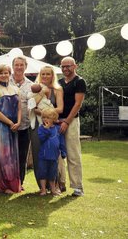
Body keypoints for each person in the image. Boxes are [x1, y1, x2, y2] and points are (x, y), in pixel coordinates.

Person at [0, 64, 22, 194]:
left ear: (10, 74)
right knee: (3, 155)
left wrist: (18, 122)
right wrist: (10, 123)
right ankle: (3, 185)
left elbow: (19, 108)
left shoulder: (16, 89)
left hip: (14, 126)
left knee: (13, 155)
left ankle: (14, 184)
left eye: (6, 73)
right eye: (1, 73)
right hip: (0, 126)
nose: (4, 75)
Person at [31, 65, 64, 190]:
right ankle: (42, 187)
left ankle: (56, 185)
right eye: (43, 74)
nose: (45, 76)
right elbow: (32, 107)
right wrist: (42, 94)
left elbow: (60, 108)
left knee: (54, 155)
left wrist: (45, 113)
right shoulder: (36, 89)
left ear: (52, 75)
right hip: (37, 126)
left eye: (48, 74)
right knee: (37, 154)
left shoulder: (58, 89)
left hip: (52, 127)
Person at [58, 57, 86, 197]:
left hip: (71, 121)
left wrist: (66, 122)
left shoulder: (79, 82)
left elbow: (78, 104)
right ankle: (59, 184)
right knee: (57, 155)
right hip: (57, 121)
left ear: (75, 66)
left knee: (73, 154)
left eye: (67, 66)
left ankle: (77, 187)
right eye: (62, 66)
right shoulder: (59, 82)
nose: (65, 69)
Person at [9, 56, 34, 190]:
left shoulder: (31, 85)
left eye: (21, 65)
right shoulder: (6, 81)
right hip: (7, 126)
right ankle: (8, 181)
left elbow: (32, 105)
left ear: (25, 66)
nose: (19, 67)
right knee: (8, 156)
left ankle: (20, 182)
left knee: (22, 155)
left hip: (25, 125)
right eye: (16, 65)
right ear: (13, 66)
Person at [37, 108, 66, 196]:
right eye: (44, 117)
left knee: (53, 174)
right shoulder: (41, 128)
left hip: (54, 156)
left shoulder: (57, 129)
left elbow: (61, 141)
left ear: (53, 118)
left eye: (48, 117)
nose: (45, 119)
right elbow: (41, 138)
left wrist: (63, 151)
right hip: (43, 156)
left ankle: (53, 189)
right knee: (43, 173)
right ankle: (43, 189)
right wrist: (47, 129)